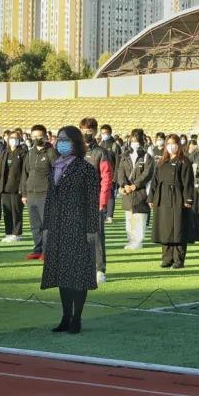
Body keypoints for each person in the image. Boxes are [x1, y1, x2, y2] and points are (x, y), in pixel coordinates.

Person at [40, 126, 100, 334]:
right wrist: (46, 226)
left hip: (78, 226)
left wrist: (91, 228)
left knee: (78, 274)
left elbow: (92, 201)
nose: (61, 143)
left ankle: (77, 318)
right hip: (58, 226)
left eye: (65, 139)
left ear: (75, 142)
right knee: (62, 273)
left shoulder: (86, 169)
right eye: (59, 139)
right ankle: (66, 317)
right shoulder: (55, 166)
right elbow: (49, 199)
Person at [150, 134, 197, 269]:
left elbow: (188, 182)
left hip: (178, 198)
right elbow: (155, 181)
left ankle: (178, 260)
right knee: (165, 229)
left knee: (178, 229)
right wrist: (151, 197)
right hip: (163, 198)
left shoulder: (184, 162)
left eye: (174, 143)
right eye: (169, 144)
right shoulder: (161, 162)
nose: (172, 146)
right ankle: (167, 258)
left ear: (179, 145)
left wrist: (188, 199)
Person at [81, 118, 114, 284]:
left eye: (89, 131)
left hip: (94, 200)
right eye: (83, 130)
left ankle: (99, 269)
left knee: (96, 236)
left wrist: (103, 201)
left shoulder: (101, 153)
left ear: (95, 132)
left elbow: (106, 179)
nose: (86, 133)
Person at [21, 124, 57, 260]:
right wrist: (24, 193)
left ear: (46, 136)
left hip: (45, 193)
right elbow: (25, 174)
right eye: (34, 136)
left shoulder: (52, 152)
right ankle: (38, 249)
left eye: (40, 136)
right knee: (35, 225)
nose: (37, 139)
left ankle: (47, 251)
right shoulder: (30, 153)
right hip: (31, 194)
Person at [118, 128, 154, 250]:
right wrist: (124, 185)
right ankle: (131, 240)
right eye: (132, 140)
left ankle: (138, 242)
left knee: (140, 218)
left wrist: (135, 185)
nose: (134, 143)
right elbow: (120, 172)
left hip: (141, 192)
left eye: (137, 140)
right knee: (129, 218)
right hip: (127, 192)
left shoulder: (147, 157)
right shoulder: (125, 156)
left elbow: (147, 173)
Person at [0, 130, 27, 243]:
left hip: (17, 187)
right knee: (7, 211)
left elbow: (25, 172)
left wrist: (22, 188)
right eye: (11, 138)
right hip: (5, 187)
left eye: (15, 138)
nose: (13, 140)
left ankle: (17, 233)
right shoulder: (5, 152)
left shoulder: (23, 153)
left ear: (19, 140)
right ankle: (9, 232)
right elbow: (1, 171)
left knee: (16, 211)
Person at [99, 123, 122, 224]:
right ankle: (103, 214)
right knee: (102, 194)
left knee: (110, 195)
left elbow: (118, 162)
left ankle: (109, 215)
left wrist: (115, 176)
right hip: (101, 175)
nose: (104, 135)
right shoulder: (100, 144)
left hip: (111, 175)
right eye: (102, 133)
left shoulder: (115, 146)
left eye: (106, 133)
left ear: (110, 133)